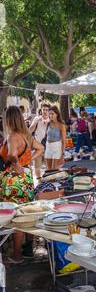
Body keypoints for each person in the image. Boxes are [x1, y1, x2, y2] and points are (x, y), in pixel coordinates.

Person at [0, 106, 44, 263]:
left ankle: (17, 255)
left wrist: (17, 164)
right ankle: (28, 249)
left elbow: (11, 155)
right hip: (26, 178)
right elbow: (41, 148)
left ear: (9, 119)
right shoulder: (26, 136)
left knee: (16, 217)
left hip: (13, 180)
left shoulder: (12, 136)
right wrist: (28, 160)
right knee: (26, 213)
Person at [29, 103, 50, 179]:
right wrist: (36, 122)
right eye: (43, 109)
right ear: (41, 110)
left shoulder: (51, 120)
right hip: (38, 147)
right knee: (37, 166)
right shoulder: (37, 119)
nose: (45, 111)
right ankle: (38, 180)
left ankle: (48, 180)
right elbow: (30, 130)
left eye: (47, 110)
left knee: (49, 167)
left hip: (48, 147)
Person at [44, 105, 66, 170]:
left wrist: (62, 155)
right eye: (49, 114)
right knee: (48, 170)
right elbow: (45, 137)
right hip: (48, 147)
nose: (50, 115)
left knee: (55, 171)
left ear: (57, 114)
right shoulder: (48, 124)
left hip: (57, 147)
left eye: (52, 114)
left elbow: (64, 142)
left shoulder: (61, 125)